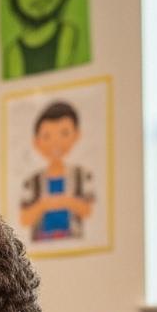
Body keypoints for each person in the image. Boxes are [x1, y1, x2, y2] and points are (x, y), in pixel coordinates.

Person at [18, 102, 94, 242]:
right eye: (47, 136)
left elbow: (87, 210)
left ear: (76, 136)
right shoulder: (31, 181)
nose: (55, 142)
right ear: (37, 142)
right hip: (41, 238)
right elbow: (24, 218)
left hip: (74, 237)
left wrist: (64, 201)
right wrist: (44, 205)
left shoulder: (82, 175)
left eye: (64, 133)